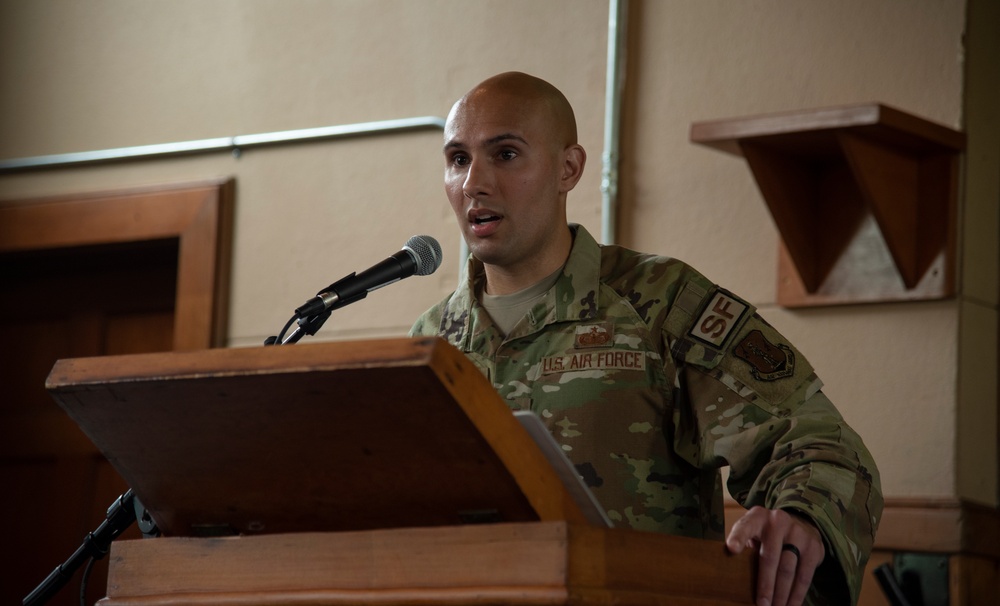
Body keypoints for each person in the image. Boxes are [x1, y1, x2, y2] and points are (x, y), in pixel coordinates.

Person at [410, 71, 882, 606]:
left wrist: (800, 518)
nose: (474, 182)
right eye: (457, 159)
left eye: (506, 155)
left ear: (569, 168)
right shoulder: (429, 342)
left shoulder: (659, 302)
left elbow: (821, 443)